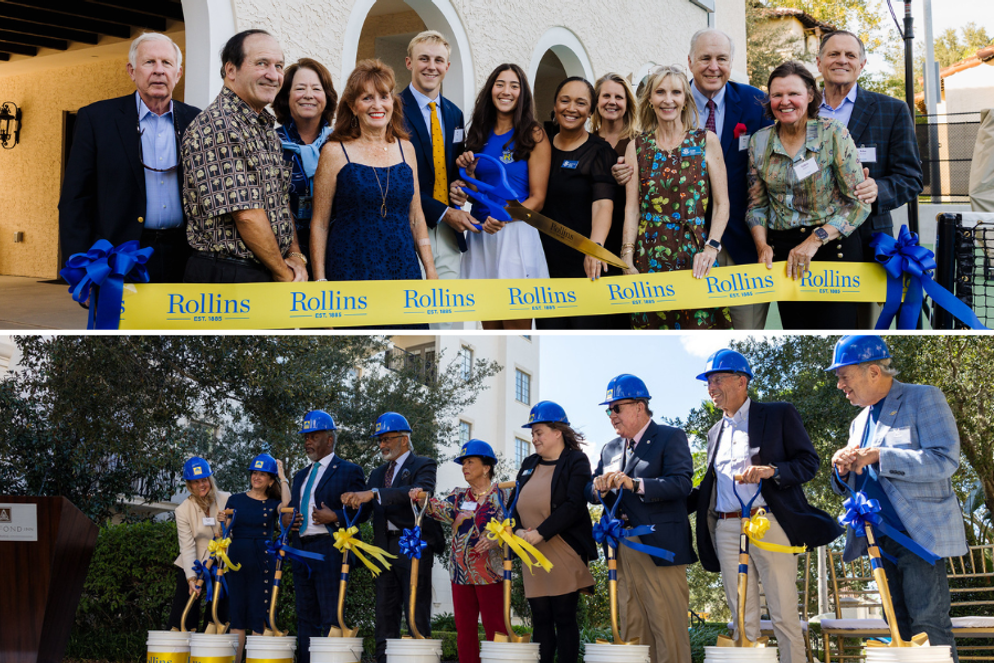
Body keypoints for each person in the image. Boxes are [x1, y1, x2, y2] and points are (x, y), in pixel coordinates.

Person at [689, 350, 842, 663]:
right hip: (727, 528)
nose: (711, 387)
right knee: (741, 617)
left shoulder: (778, 413)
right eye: (708, 381)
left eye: (717, 379)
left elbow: (808, 463)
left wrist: (772, 471)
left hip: (769, 522)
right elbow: (710, 485)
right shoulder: (714, 432)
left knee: (784, 613)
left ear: (742, 380)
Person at [827, 336, 966, 662]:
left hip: (918, 536)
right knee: (898, 630)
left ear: (873, 371)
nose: (839, 385)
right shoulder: (859, 421)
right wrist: (841, 468)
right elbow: (851, 480)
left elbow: (945, 460)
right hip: (877, 540)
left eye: (843, 375)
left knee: (928, 626)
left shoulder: (924, 398)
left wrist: (881, 456)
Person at [59, 32, 200, 285]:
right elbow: (75, 200)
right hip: (119, 258)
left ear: (178, 74)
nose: (159, 71)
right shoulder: (97, 119)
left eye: (167, 63)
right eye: (149, 62)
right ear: (132, 71)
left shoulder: (197, 121)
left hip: (185, 257)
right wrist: (80, 269)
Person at [309, 59, 438, 326]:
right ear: (353, 106)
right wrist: (320, 283)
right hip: (350, 270)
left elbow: (416, 218)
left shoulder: (407, 149)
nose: (377, 105)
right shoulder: (334, 151)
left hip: (403, 269)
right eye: (367, 98)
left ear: (393, 102)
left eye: (384, 96)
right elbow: (320, 223)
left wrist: (431, 273)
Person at [745, 61, 872, 329]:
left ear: (810, 95)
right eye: (777, 95)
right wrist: (762, 245)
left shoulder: (833, 133)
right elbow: (757, 205)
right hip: (784, 254)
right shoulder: (759, 142)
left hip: (831, 246)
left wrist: (815, 240)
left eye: (793, 94)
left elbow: (859, 203)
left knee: (835, 330)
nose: (785, 101)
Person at [181, 29, 308, 284]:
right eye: (262, 63)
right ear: (231, 70)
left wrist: (295, 254)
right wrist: (284, 274)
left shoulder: (263, 127)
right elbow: (246, 215)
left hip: (265, 269)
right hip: (229, 277)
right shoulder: (218, 125)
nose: (273, 75)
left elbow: (280, 202)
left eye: (279, 66)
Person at [586, 374, 695, 663]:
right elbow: (589, 489)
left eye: (616, 408)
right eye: (608, 410)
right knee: (633, 628)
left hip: (658, 545)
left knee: (667, 630)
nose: (611, 415)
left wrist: (635, 484)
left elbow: (682, 484)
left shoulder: (670, 437)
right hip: (621, 548)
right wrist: (597, 487)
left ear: (639, 406)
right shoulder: (610, 448)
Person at [816, 31, 921, 328]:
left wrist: (880, 189)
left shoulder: (892, 110)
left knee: (861, 325)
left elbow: (911, 178)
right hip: (809, 239)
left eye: (850, 55)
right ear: (819, 61)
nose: (842, 60)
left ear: (862, 64)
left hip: (867, 240)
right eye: (834, 54)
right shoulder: (801, 107)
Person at [621, 65, 731, 330]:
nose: (668, 99)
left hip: (696, 256)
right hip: (649, 256)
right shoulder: (637, 146)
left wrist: (711, 248)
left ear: (685, 100)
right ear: (650, 99)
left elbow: (722, 204)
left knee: (699, 328)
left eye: (675, 92)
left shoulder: (706, 141)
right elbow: (632, 209)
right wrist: (626, 256)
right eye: (660, 92)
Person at [453, 63, 551, 331]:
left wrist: (504, 218)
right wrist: (467, 181)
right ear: (491, 90)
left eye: (514, 85)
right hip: (482, 234)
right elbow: (476, 192)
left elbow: (538, 199)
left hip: (515, 233)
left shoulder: (534, 134)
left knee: (514, 325)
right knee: (490, 329)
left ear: (522, 94)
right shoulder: (478, 134)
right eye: (500, 84)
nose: (506, 91)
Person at [341, 413, 445, 663]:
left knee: (415, 611)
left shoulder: (424, 464)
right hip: (383, 549)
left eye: (387, 439)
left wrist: (373, 494)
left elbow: (419, 493)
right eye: (380, 440)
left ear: (404, 439)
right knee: (384, 613)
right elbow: (365, 511)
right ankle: (382, 659)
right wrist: (347, 504)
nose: (382, 445)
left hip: (413, 547)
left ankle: (419, 658)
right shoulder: (377, 474)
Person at [687, 28, 773, 330]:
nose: (714, 66)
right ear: (690, 62)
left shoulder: (756, 103)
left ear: (731, 61)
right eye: (705, 58)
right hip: (685, 246)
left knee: (746, 331)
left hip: (743, 244)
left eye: (721, 58)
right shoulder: (671, 102)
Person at [513, 401, 596, 663]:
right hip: (531, 552)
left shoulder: (576, 460)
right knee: (540, 619)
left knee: (563, 616)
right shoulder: (528, 463)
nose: (534, 438)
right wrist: (515, 531)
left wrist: (541, 533)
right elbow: (513, 503)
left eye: (539, 432)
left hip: (563, 548)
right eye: (533, 433)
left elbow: (574, 504)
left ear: (557, 431)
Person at [411, 440, 507, 663]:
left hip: (491, 573)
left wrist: (497, 538)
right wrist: (421, 497)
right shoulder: (458, 496)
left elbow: (514, 527)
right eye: (463, 463)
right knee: (464, 632)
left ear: (486, 467)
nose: (464, 466)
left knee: (496, 629)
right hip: (460, 574)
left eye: (470, 462)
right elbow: (438, 509)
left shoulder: (503, 495)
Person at [536, 77, 617, 330]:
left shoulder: (599, 151)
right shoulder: (539, 144)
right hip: (542, 263)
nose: (571, 108)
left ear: (590, 111)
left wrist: (595, 247)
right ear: (555, 104)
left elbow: (603, 203)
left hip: (584, 264)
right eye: (565, 100)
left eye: (581, 103)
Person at [399, 30, 474, 297]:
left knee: (446, 311)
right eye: (424, 59)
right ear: (409, 63)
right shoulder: (392, 109)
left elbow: (453, 170)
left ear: (447, 67)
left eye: (438, 61)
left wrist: (459, 186)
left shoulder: (455, 114)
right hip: (408, 227)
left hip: (449, 234)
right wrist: (443, 212)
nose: (432, 67)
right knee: (414, 312)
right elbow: (398, 177)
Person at [288, 410, 366, 663]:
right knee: (305, 615)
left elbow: (364, 510)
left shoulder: (349, 470)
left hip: (329, 550)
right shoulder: (300, 475)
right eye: (305, 437)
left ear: (330, 439)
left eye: (313, 436)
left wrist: (336, 518)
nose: (307, 441)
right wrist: (286, 521)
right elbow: (290, 509)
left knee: (330, 615)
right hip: (300, 550)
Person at [273, 58, 338, 273]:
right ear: (286, 96)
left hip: (336, 253)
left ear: (327, 98)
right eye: (300, 88)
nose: (308, 95)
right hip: (284, 258)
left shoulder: (341, 145)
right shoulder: (269, 143)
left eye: (316, 89)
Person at [224, 453, 290, 663]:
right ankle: (236, 661)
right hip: (236, 561)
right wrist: (221, 521)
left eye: (263, 474)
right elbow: (226, 531)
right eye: (255, 473)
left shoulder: (273, 503)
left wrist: (283, 476)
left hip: (263, 562)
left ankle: (254, 659)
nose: (257, 477)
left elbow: (288, 506)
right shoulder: (235, 499)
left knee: (258, 614)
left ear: (270, 481)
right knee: (237, 614)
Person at [590, 72, 640, 330]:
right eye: (606, 95)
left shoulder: (640, 142)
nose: (612, 101)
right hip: (595, 231)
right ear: (596, 101)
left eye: (618, 97)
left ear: (627, 103)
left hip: (630, 235)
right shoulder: (586, 141)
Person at [166, 456, 231, 631]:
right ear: (189, 485)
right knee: (183, 611)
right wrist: (191, 578)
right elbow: (186, 546)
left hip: (220, 563)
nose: (201, 485)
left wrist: (227, 526)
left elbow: (234, 531)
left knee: (218, 612)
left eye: (204, 480)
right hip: (193, 563)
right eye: (195, 482)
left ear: (210, 479)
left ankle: (211, 649)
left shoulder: (226, 499)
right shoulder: (182, 511)